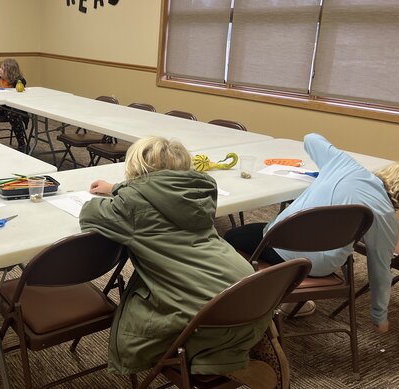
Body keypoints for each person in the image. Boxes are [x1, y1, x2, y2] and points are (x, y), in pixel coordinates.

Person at [79, 136, 270, 376]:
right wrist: (118, 188)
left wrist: (121, 190)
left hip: (208, 312)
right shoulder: (199, 191)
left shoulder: (130, 207)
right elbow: (158, 191)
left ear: (135, 170)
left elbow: (89, 214)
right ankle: (240, 347)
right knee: (225, 319)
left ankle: (218, 360)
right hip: (251, 291)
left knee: (137, 315)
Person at [224, 133, 399, 334]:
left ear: (391, 172)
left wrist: (337, 158)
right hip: (320, 267)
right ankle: (293, 299)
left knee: (230, 236)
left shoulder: (345, 165)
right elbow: (380, 271)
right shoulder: (386, 218)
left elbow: (311, 138)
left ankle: (254, 295)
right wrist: (379, 316)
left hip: (279, 248)